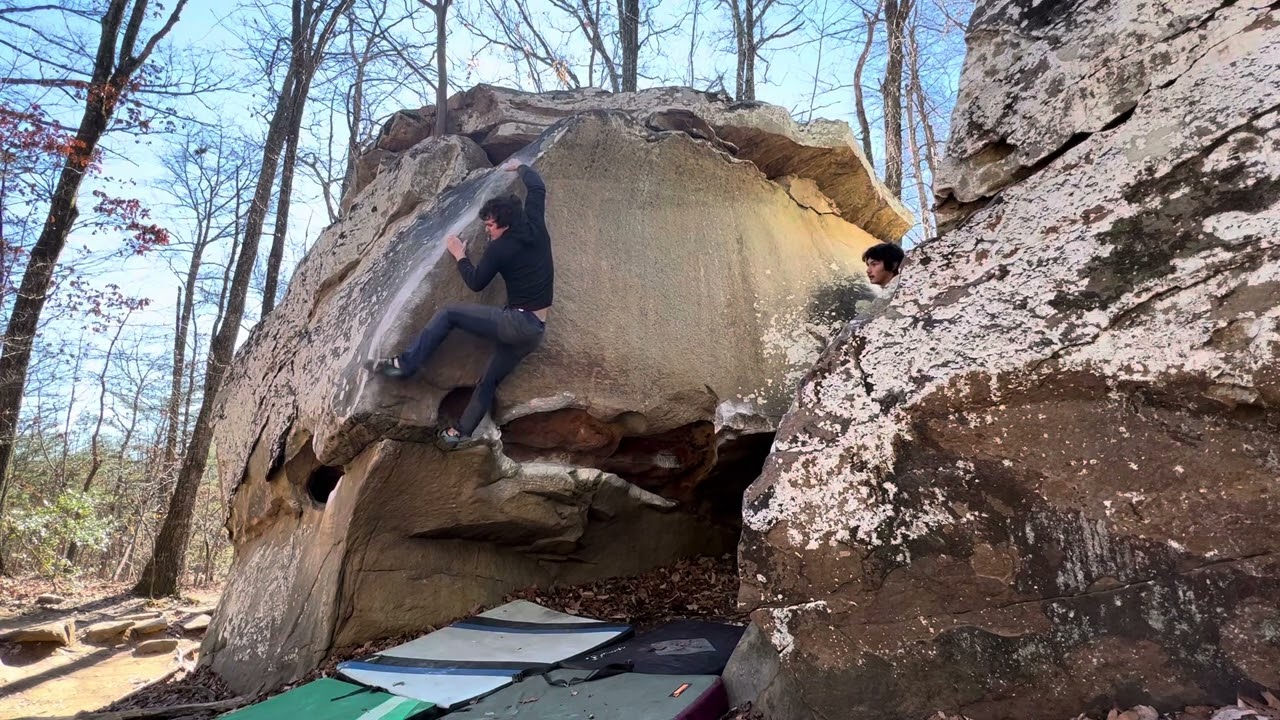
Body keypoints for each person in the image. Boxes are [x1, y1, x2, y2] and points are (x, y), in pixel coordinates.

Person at [371, 159, 553, 450]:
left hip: (516, 323)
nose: (487, 230)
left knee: (449, 313)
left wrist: (459, 254)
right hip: (535, 331)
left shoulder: (500, 249)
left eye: (490, 225)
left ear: (504, 224)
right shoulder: (534, 224)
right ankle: (459, 433)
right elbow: (537, 186)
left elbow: (476, 281)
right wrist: (520, 166)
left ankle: (405, 364)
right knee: (488, 380)